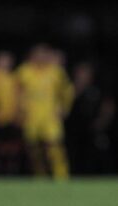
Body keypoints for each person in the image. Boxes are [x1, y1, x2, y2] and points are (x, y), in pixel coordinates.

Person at [15, 44, 74, 179]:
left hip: (50, 116)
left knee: (54, 147)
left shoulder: (56, 72)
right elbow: (16, 93)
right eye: (37, 54)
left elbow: (67, 91)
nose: (40, 57)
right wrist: (18, 111)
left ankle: (62, 177)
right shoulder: (23, 72)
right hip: (31, 117)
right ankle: (40, 176)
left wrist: (64, 107)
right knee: (34, 150)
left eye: (43, 54)